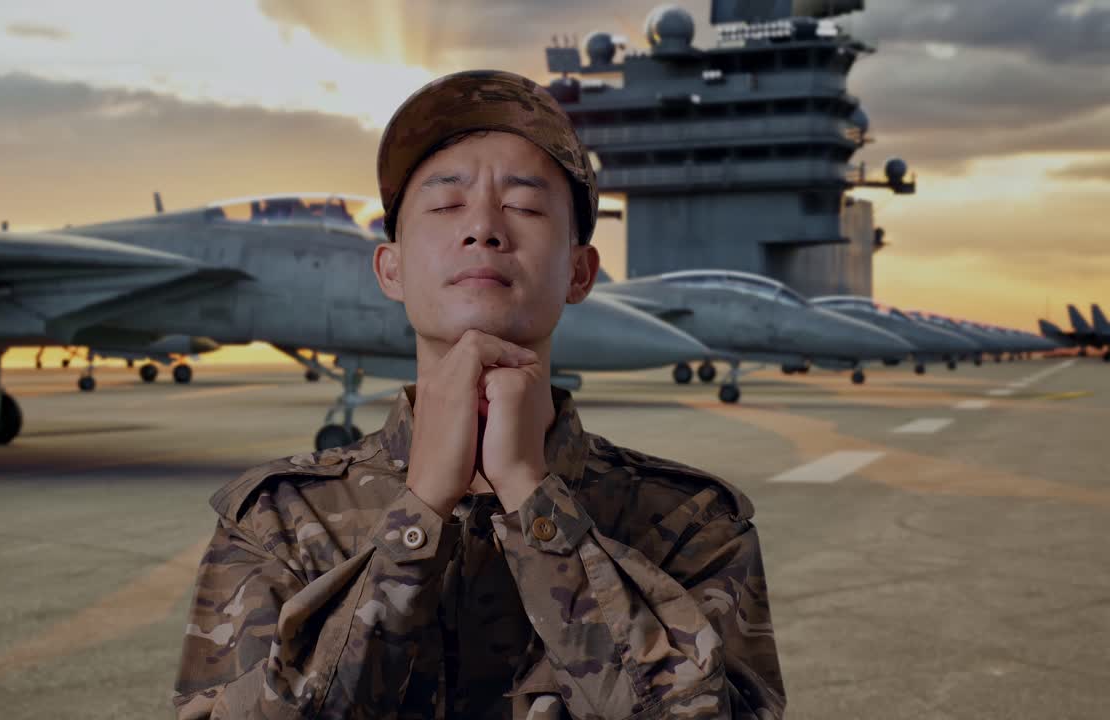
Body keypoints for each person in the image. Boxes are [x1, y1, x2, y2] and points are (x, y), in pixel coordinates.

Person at [172, 69, 785, 720]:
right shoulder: (276, 523)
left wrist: (533, 500)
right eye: (444, 205)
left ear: (580, 272)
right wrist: (419, 516)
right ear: (392, 269)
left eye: (524, 205)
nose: (484, 229)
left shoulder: (693, 524)